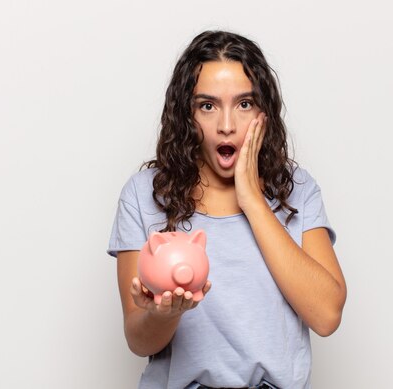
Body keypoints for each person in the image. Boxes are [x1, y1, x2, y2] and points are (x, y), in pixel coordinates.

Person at [108, 30, 347, 389]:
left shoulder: (297, 189)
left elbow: (327, 316)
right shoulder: (143, 196)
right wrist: (163, 315)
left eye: (244, 104)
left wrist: (251, 199)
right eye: (207, 105)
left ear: (264, 112)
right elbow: (139, 340)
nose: (226, 125)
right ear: (186, 114)